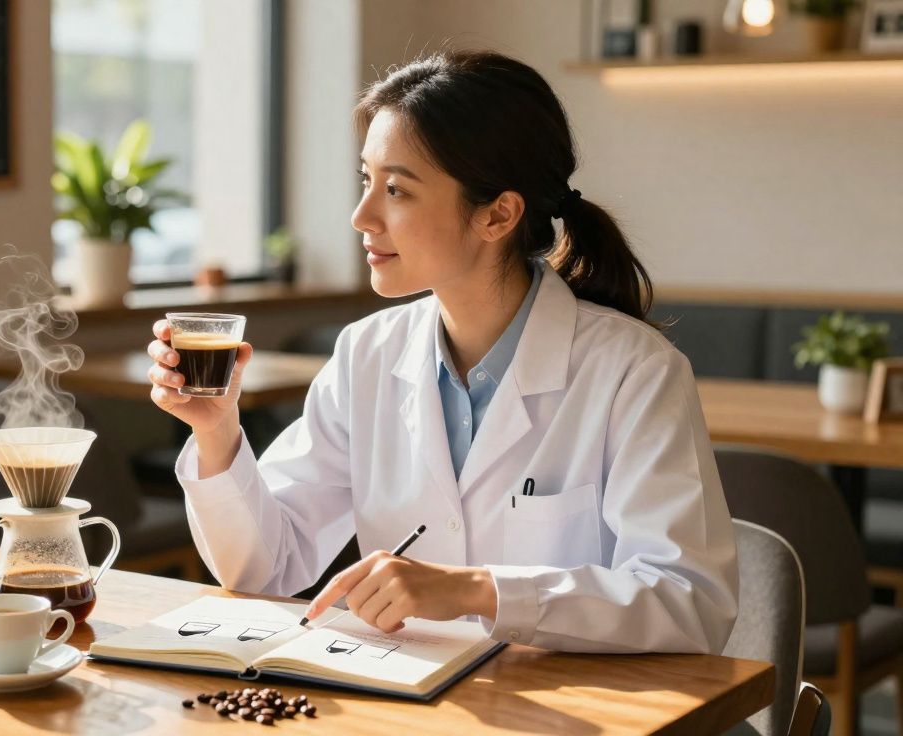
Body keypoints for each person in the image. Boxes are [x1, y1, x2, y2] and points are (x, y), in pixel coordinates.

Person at [145, 50, 737, 653]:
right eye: (366, 180)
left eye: (397, 189)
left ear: (498, 215)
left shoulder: (633, 371)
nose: (361, 216)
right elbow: (266, 569)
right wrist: (217, 432)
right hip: (413, 702)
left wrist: (477, 591)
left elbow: (689, 601)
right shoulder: (367, 354)